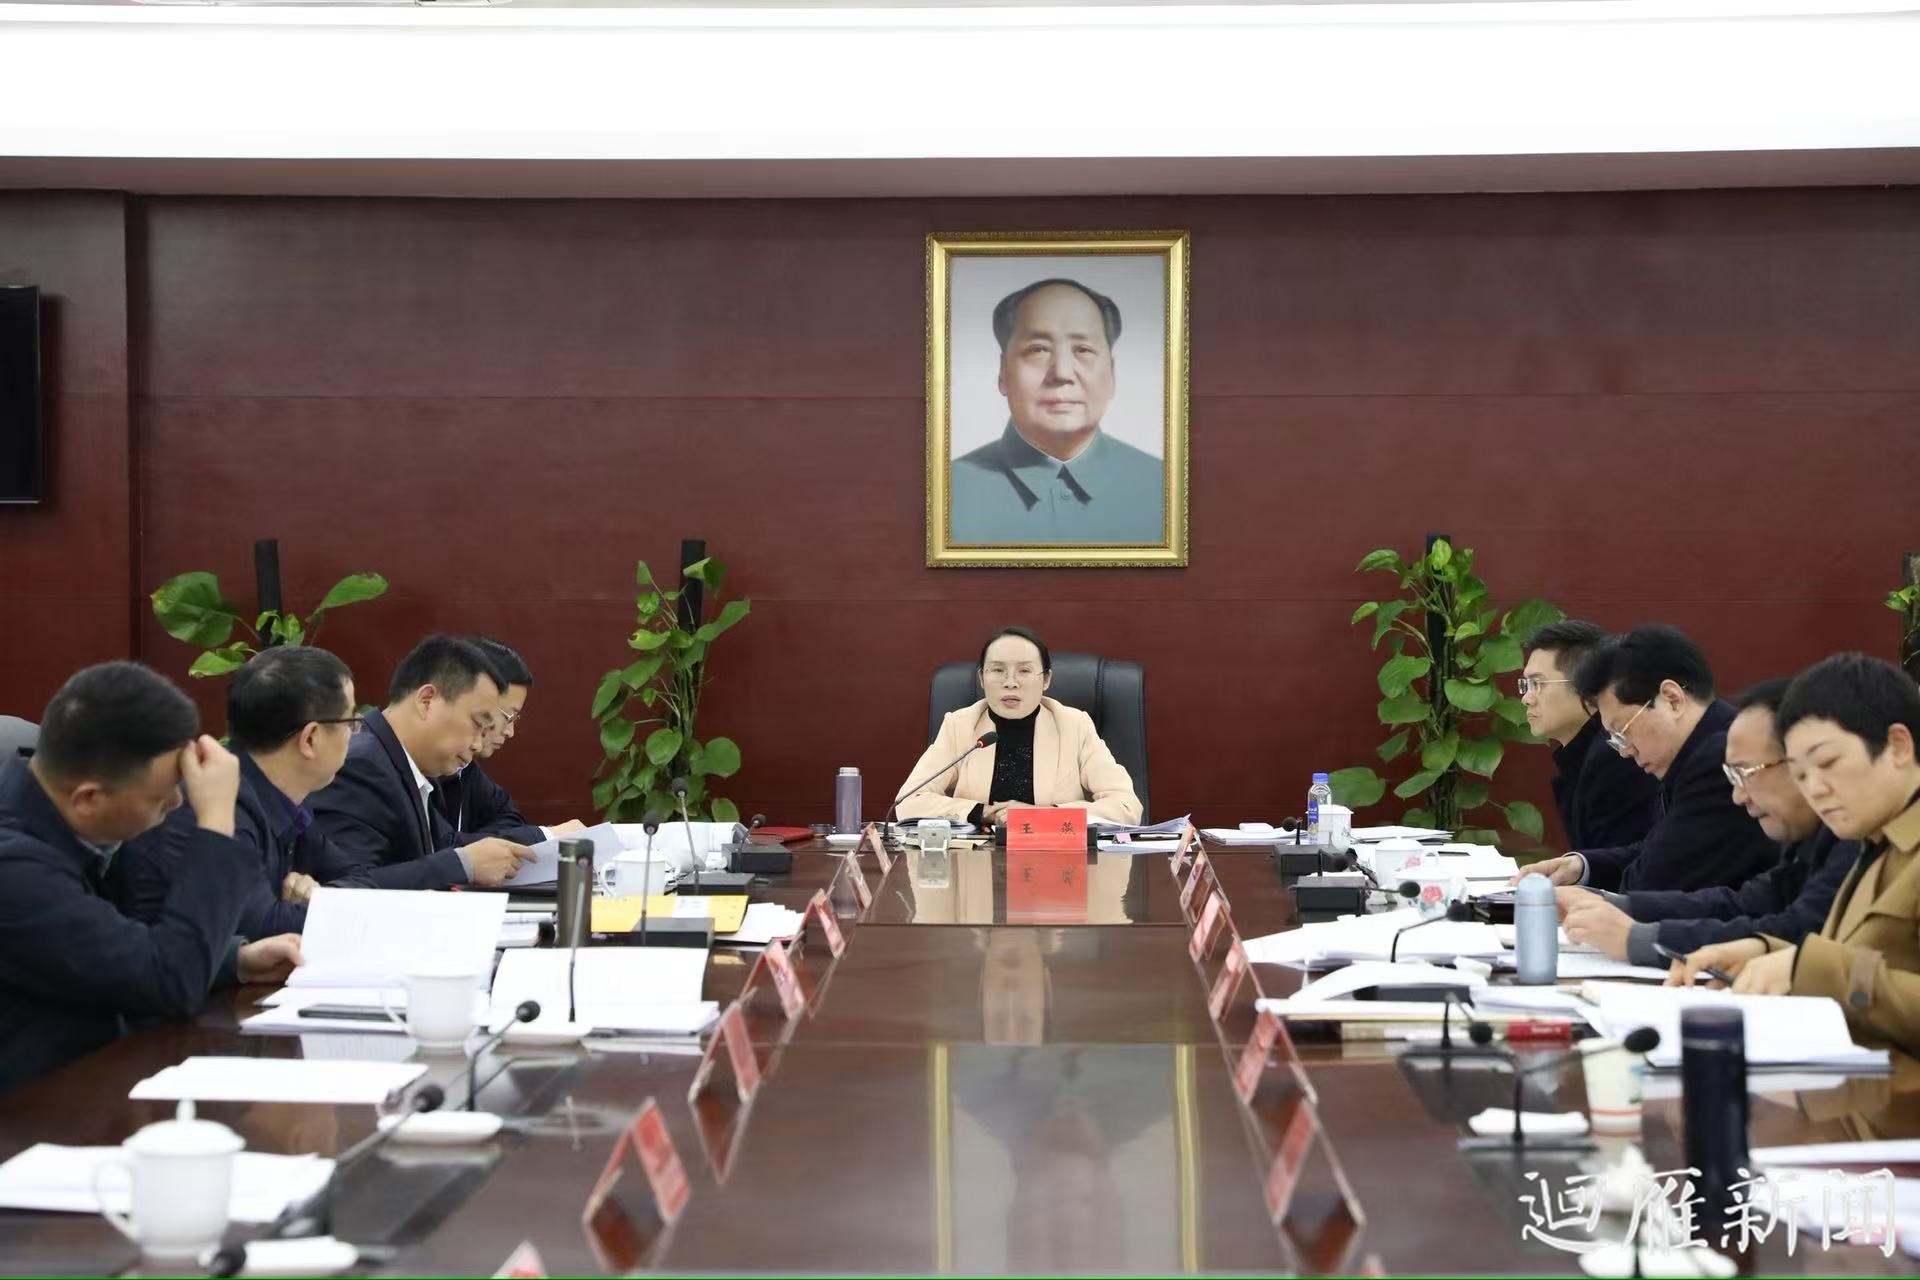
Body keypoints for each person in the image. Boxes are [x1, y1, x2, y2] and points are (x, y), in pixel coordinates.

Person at [0, 662, 301, 1092]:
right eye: (162, 795)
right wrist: (217, 819)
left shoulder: (65, 824)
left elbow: (120, 945)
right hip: (35, 1110)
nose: (178, 803)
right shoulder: (14, 868)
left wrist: (235, 961)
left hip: (96, 1085)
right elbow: (170, 982)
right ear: (88, 798)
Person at [1672, 654, 1920, 1053]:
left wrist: (1807, 967)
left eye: (1828, 762)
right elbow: (1866, 962)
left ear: (1898, 745)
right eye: (1800, 774)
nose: (1815, 789)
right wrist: (1765, 952)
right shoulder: (1875, 845)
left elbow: (1846, 972)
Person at [1559, 677, 1857, 964]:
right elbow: (1746, 905)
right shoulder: (1813, 838)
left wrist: (1638, 938)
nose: (1738, 796)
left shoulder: (1855, 837)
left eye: (1744, 774)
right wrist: (1615, 906)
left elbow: (1799, 930)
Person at [117, 646, 380, 937]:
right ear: (310, 738)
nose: (354, 731)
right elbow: (262, 928)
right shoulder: (215, 805)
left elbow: (360, 880)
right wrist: (320, 906)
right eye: (350, 722)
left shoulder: (284, 800)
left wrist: (318, 898)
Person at [1515, 624, 1777, 893]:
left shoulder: (1717, 761)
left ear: (1672, 700)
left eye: (1623, 731)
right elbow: (1656, 848)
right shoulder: (1694, 752)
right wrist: (1582, 866)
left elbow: (1651, 881)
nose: (1625, 751)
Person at [949, 279, 1164, 545]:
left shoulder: (1166, 488)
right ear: (1003, 372)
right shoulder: (945, 493)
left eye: (1083, 350)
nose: (1062, 373)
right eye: (1038, 349)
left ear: (1112, 374)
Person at [310, 636, 535, 888]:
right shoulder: (361, 767)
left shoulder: (413, 770)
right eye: (478, 723)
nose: (477, 744)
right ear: (427, 700)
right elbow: (344, 891)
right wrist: (462, 864)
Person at [897, 626, 1142, 828]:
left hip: (1055, 859)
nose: (1010, 682)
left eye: (1024, 671)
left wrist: (1042, 816)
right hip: (975, 861)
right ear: (982, 678)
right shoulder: (960, 726)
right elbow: (909, 801)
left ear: (1046, 680)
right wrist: (982, 812)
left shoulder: (1074, 725)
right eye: (998, 670)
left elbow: (1126, 806)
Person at [1519, 620, 1659, 849]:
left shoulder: (1616, 755)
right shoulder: (1584, 756)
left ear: (1585, 684)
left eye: (1537, 684)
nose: (1526, 698)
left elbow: (1624, 862)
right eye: (1526, 685)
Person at [431, 637, 583, 847]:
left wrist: (478, 843)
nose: (510, 732)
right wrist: (546, 835)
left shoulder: (464, 766)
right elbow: (436, 847)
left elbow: (510, 819)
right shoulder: (410, 767)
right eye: (507, 717)